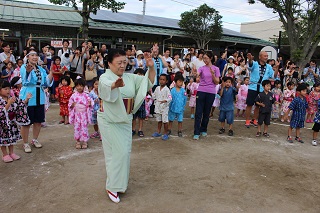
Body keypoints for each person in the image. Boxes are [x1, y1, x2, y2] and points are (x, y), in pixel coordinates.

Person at [97, 49, 155, 203]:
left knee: (124, 152)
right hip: (109, 119)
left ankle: (119, 184)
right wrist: (114, 85)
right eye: (118, 63)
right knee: (116, 153)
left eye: (124, 62)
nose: (122, 66)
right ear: (109, 64)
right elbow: (104, 86)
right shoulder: (105, 76)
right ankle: (112, 186)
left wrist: (151, 67)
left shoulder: (130, 77)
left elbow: (146, 82)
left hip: (125, 118)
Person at [19, 49, 54, 153]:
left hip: (40, 95)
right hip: (29, 95)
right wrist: (28, 72)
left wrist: (51, 72)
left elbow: (46, 82)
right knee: (26, 122)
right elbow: (25, 80)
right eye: (32, 55)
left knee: (38, 120)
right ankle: (25, 143)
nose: (34, 57)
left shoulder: (41, 68)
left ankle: (34, 139)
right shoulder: (23, 67)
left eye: (36, 55)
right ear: (28, 57)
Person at [244, 51, 279, 128]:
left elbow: (274, 76)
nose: (266, 57)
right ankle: (247, 120)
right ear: (260, 57)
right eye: (264, 56)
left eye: (267, 56)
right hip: (253, 86)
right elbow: (250, 66)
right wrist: (249, 59)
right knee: (249, 104)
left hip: (261, 88)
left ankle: (254, 119)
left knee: (258, 105)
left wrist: (277, 68)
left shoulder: (269, 67)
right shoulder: (255, 63)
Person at [0, 79, 30, 162]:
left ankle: (11, 153)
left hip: (11, 122)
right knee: (3, 140)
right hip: (2, 124)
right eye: (5, 89)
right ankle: (5, 154)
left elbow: (20, 105)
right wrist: (8, 103)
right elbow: (1, 112)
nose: (8, 91)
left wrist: (26, 99)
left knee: (11, 139)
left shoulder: (12, 98)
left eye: (9, 89)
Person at [193, 51, 220, 140]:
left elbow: (217, 82)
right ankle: (196, 132)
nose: (205, 60)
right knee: (198, 112)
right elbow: (197, 75)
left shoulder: (216, 69)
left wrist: (212, 74)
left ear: (211, 58)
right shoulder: (201, 68)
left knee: (206, 112)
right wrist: (196, 75)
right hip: (201, 91)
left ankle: (203, 129)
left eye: (206, 58)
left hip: (211, 92)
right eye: (204, 58)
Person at [68, 77, 93, 149]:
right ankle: (78, 141)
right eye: (78, 86)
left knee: (84, 127)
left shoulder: (86, 95)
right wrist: (72, 105)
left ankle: (85, 141)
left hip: (84, 114)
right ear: (75, 86)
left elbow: (91, 103)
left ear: (84, 86)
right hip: (77, 114)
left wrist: (90, 103)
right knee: (77, 127)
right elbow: (70, 104)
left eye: (81, 86)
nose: (79, 87)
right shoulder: (74, 95)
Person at [152, 74, 172, 141]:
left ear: (166, 81)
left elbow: (170, 97)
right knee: (159, 120)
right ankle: (158, 131)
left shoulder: (167, 89)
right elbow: (154, 96)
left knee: (165, 121)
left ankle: (166, 133)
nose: (162, 81)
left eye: (163, 80)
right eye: (160, 79)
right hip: (158, 106)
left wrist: (165, 100)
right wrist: (150, 93)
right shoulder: (157, 88)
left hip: (164, 107)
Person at [132, 68, 147, 137]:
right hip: (133, 101)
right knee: (133, 116)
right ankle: (133, 129)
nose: (140, 77)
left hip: (141, 101)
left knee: (141, 117)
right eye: (138, 75)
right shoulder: (132, 83)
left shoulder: (144, 84)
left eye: (141, 75)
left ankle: (140, 130)